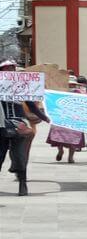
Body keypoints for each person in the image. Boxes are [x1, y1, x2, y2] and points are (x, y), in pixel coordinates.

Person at [0, 60, 51, 196]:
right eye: (6, 69)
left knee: (21, 155)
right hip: (1, 125)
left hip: (20, 124)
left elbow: (32, 105)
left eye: (12, 68)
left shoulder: (21, 86)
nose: (9, 71)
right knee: (0, 156)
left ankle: (23, 185)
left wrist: (45, 117)